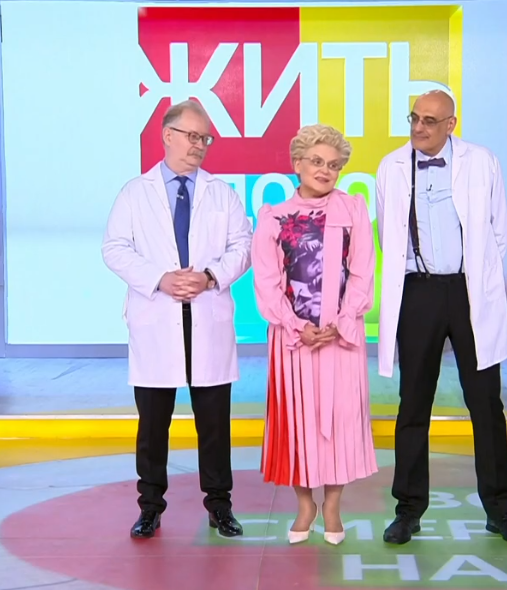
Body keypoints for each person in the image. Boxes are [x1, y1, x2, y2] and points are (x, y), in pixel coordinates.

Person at [374, 90, 507, 545]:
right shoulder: (391, 166)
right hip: (418, 292)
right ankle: (408, 510)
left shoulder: (483, 162)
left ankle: (500, 510)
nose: (419, 127)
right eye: (414, 118)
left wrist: (475, 277)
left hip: (469, 291)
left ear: (451, 124)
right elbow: (388, 235)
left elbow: (498, 232)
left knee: (486, 404)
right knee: (412, 404)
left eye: (430, 120)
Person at [101, 99, 253, 539]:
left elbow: (242, 246)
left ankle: (220, 506)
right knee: (153, 425)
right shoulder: (135, 193)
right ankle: (150, 507)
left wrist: (209, 277)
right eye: (192, 136)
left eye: (205, 138)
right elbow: (114, 248)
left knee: (214, 424)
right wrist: (160, 278)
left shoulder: (222, 193)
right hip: (157, 316)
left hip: (207, 313)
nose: (200, 145)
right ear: (167, 135)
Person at [252, 124, 378, 545]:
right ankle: (305, 504)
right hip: (293, 340)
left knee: (341, 421)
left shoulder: (353, 209)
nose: (326, 171)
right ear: (298, 164)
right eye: (317, 162)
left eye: (334, 165)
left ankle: (333, 505)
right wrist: (296, 326)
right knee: (297, 423)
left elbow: (362, 272)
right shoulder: (274, 217)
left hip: (342, 335)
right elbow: (267, 281)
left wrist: (341, 321)